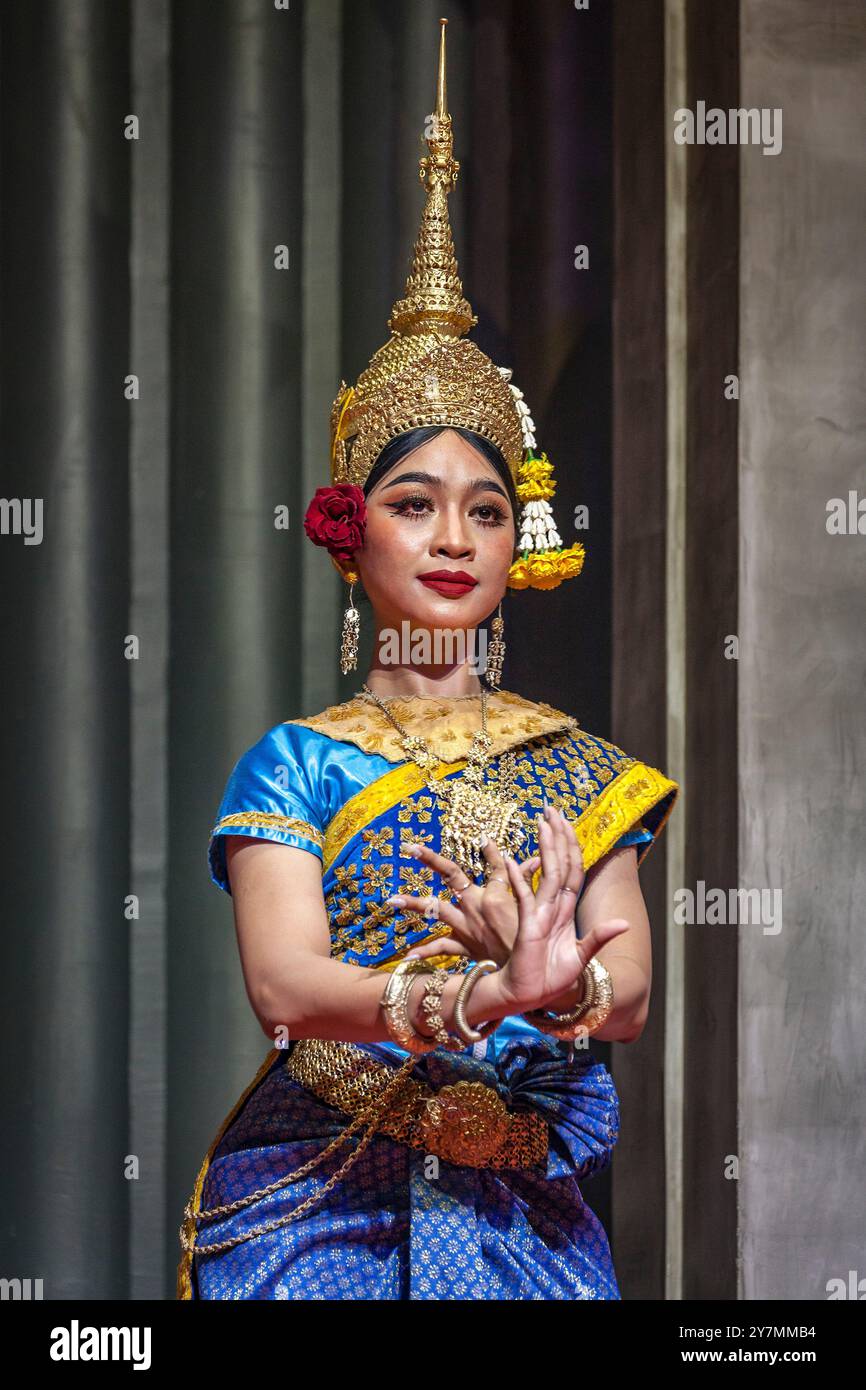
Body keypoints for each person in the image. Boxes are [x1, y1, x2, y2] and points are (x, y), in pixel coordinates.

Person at [176, 19, 678, 1301]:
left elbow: (621, 986)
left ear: (523, 542)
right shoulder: (290, 764)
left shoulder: (579, 767)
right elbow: (286, 986)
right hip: (315, 1210)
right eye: (413, 502)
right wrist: (476, 994)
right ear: (352, 535)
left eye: (487, 509)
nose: (453, 536)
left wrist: (557, 993)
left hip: (527, 1221)